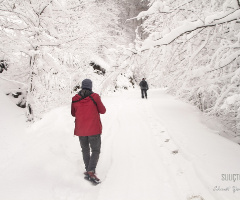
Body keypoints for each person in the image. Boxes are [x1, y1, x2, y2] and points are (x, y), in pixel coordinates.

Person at [71, 79, 106, 183]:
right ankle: (91, 171)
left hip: (81, 130)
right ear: (91, 86)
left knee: (85, 150)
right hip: (94, 129)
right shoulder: (95, 97)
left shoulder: (75, 99)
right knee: (95, 150)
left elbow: (73, 113)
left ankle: (88, 170)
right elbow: (103, 111)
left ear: (82, 86)